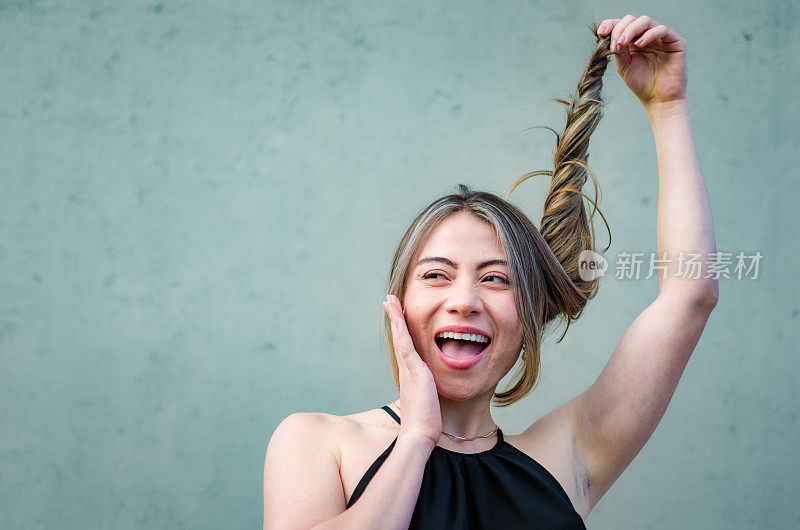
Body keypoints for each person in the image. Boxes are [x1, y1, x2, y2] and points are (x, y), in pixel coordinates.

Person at [263, 14, 718, 529]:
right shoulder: (316, 441)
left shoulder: (565, 458)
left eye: (497, 278)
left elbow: (690, 294)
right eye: (436, 275)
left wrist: (668, 107)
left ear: (530, 312)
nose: (465, 299)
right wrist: (415, 438)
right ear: (398, 303)